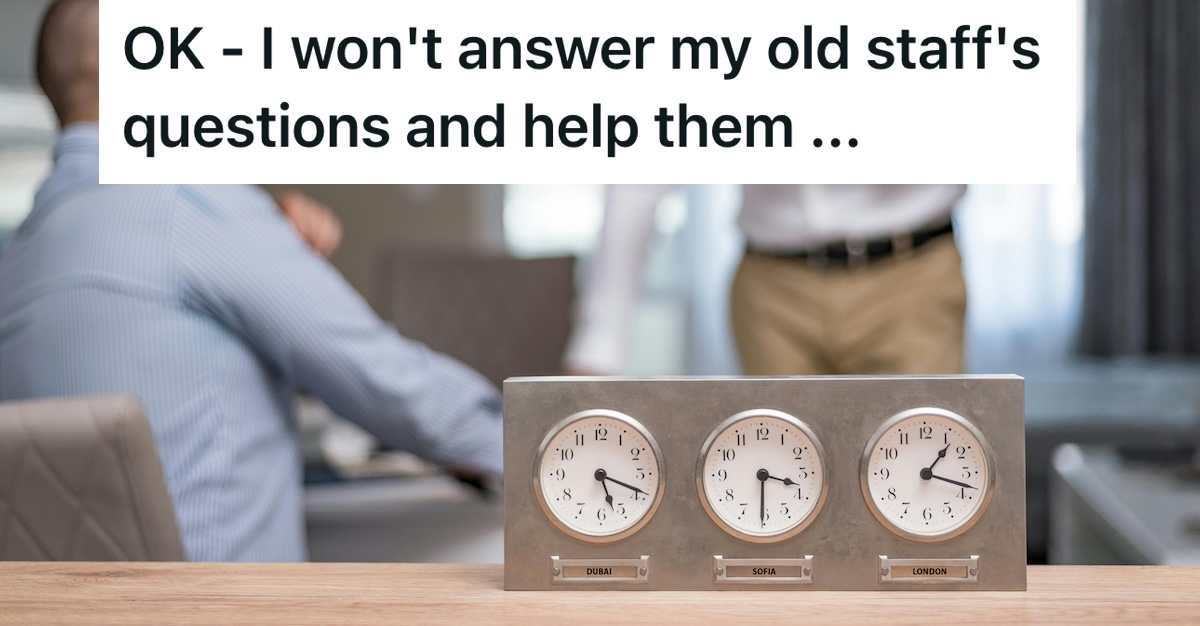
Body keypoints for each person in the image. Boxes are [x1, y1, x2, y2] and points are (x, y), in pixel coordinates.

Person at [0, 0, 502, 561]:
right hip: (225, 604)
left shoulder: (22, 254)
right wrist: (541, 443)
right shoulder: (187, 205)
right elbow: (389, 385)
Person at [565, 185, 968, 376]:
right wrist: (596, 348)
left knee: (918, 487)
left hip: (912, 274)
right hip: (772, 288)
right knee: (779, 495)